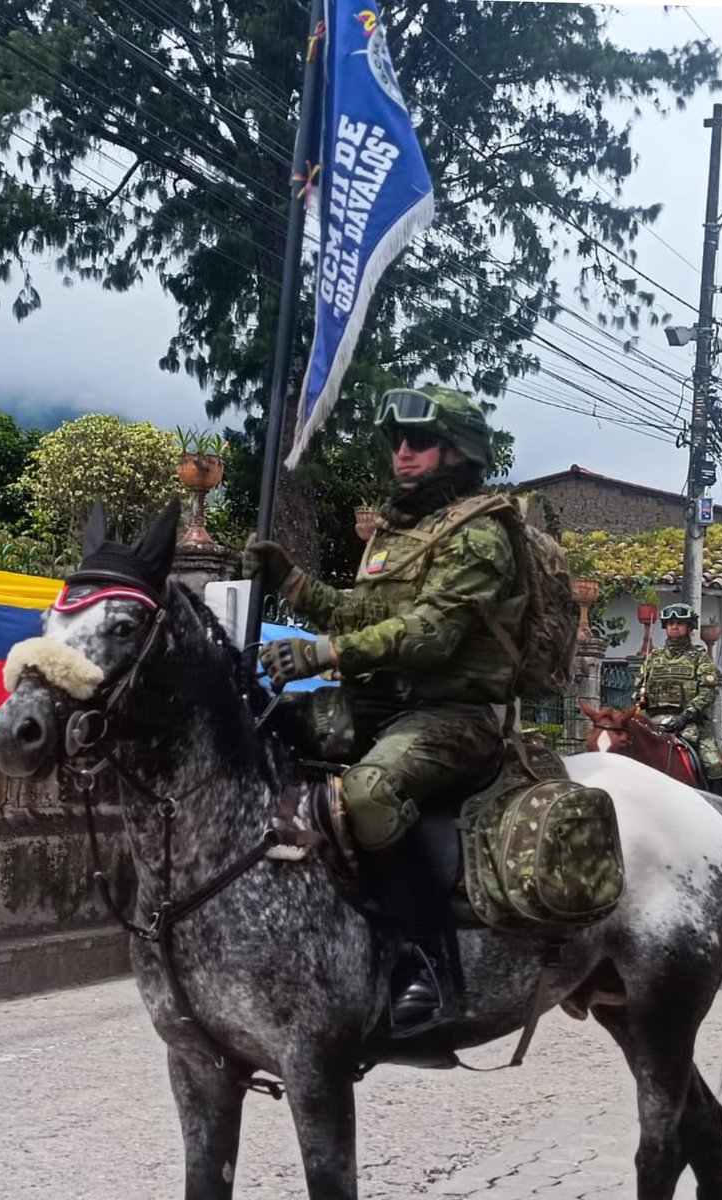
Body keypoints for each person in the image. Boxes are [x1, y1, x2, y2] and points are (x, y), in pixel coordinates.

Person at [244, 386, 526, 1038]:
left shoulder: (481, 537)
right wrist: (289, 580)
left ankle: (427, 967)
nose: (403, 452)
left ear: (457, 452)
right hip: (380, 706)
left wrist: (324, 653)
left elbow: (430, 635)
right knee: (263, 725)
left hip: (455, 717)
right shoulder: (400, 536)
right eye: (396, 439)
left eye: (418, 441)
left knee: (370, 792)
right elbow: (358, 612)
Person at [632, 603, 722, 797]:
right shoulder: (653, 658)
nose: (674, 627)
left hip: (689, 724)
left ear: (689, 627)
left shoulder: (699, 658)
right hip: (653, 722)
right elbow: (639, 689)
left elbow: (707, 693)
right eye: (671, 623)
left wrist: (686, 716)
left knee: (714, 764)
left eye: (680, 623)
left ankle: (721, 806)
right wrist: (640, 701)